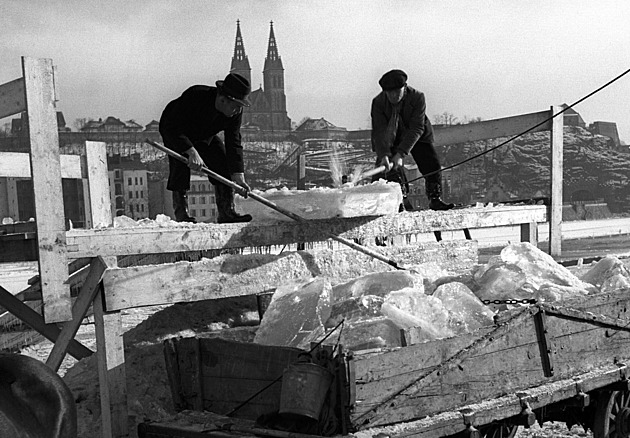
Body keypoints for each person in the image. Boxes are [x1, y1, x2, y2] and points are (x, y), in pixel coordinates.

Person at [159, 73, 253, 223]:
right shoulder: (196, 95)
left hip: (204, 134)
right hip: (175, 129)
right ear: (223, 100)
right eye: (236, 106)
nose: (237, 111)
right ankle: (182, 214)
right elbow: (172, 127)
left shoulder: (236, 112)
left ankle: (226, 212)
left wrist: (237, 174)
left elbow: (233, 141)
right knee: (181, 164)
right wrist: (191, 151)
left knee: (222, 163)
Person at [371, 69, 454, 211]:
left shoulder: (417, 97)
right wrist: (384, 154)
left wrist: (401, 154)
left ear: (405, 87)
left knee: (431, 163)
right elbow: (379, 131)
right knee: (387, 170)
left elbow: (416, 128)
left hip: (417, 135)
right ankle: (398, 200)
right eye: (389, 93)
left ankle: (435, 198)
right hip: (391, 137)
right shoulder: (378, 103)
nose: (393, 96)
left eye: (397, 92)